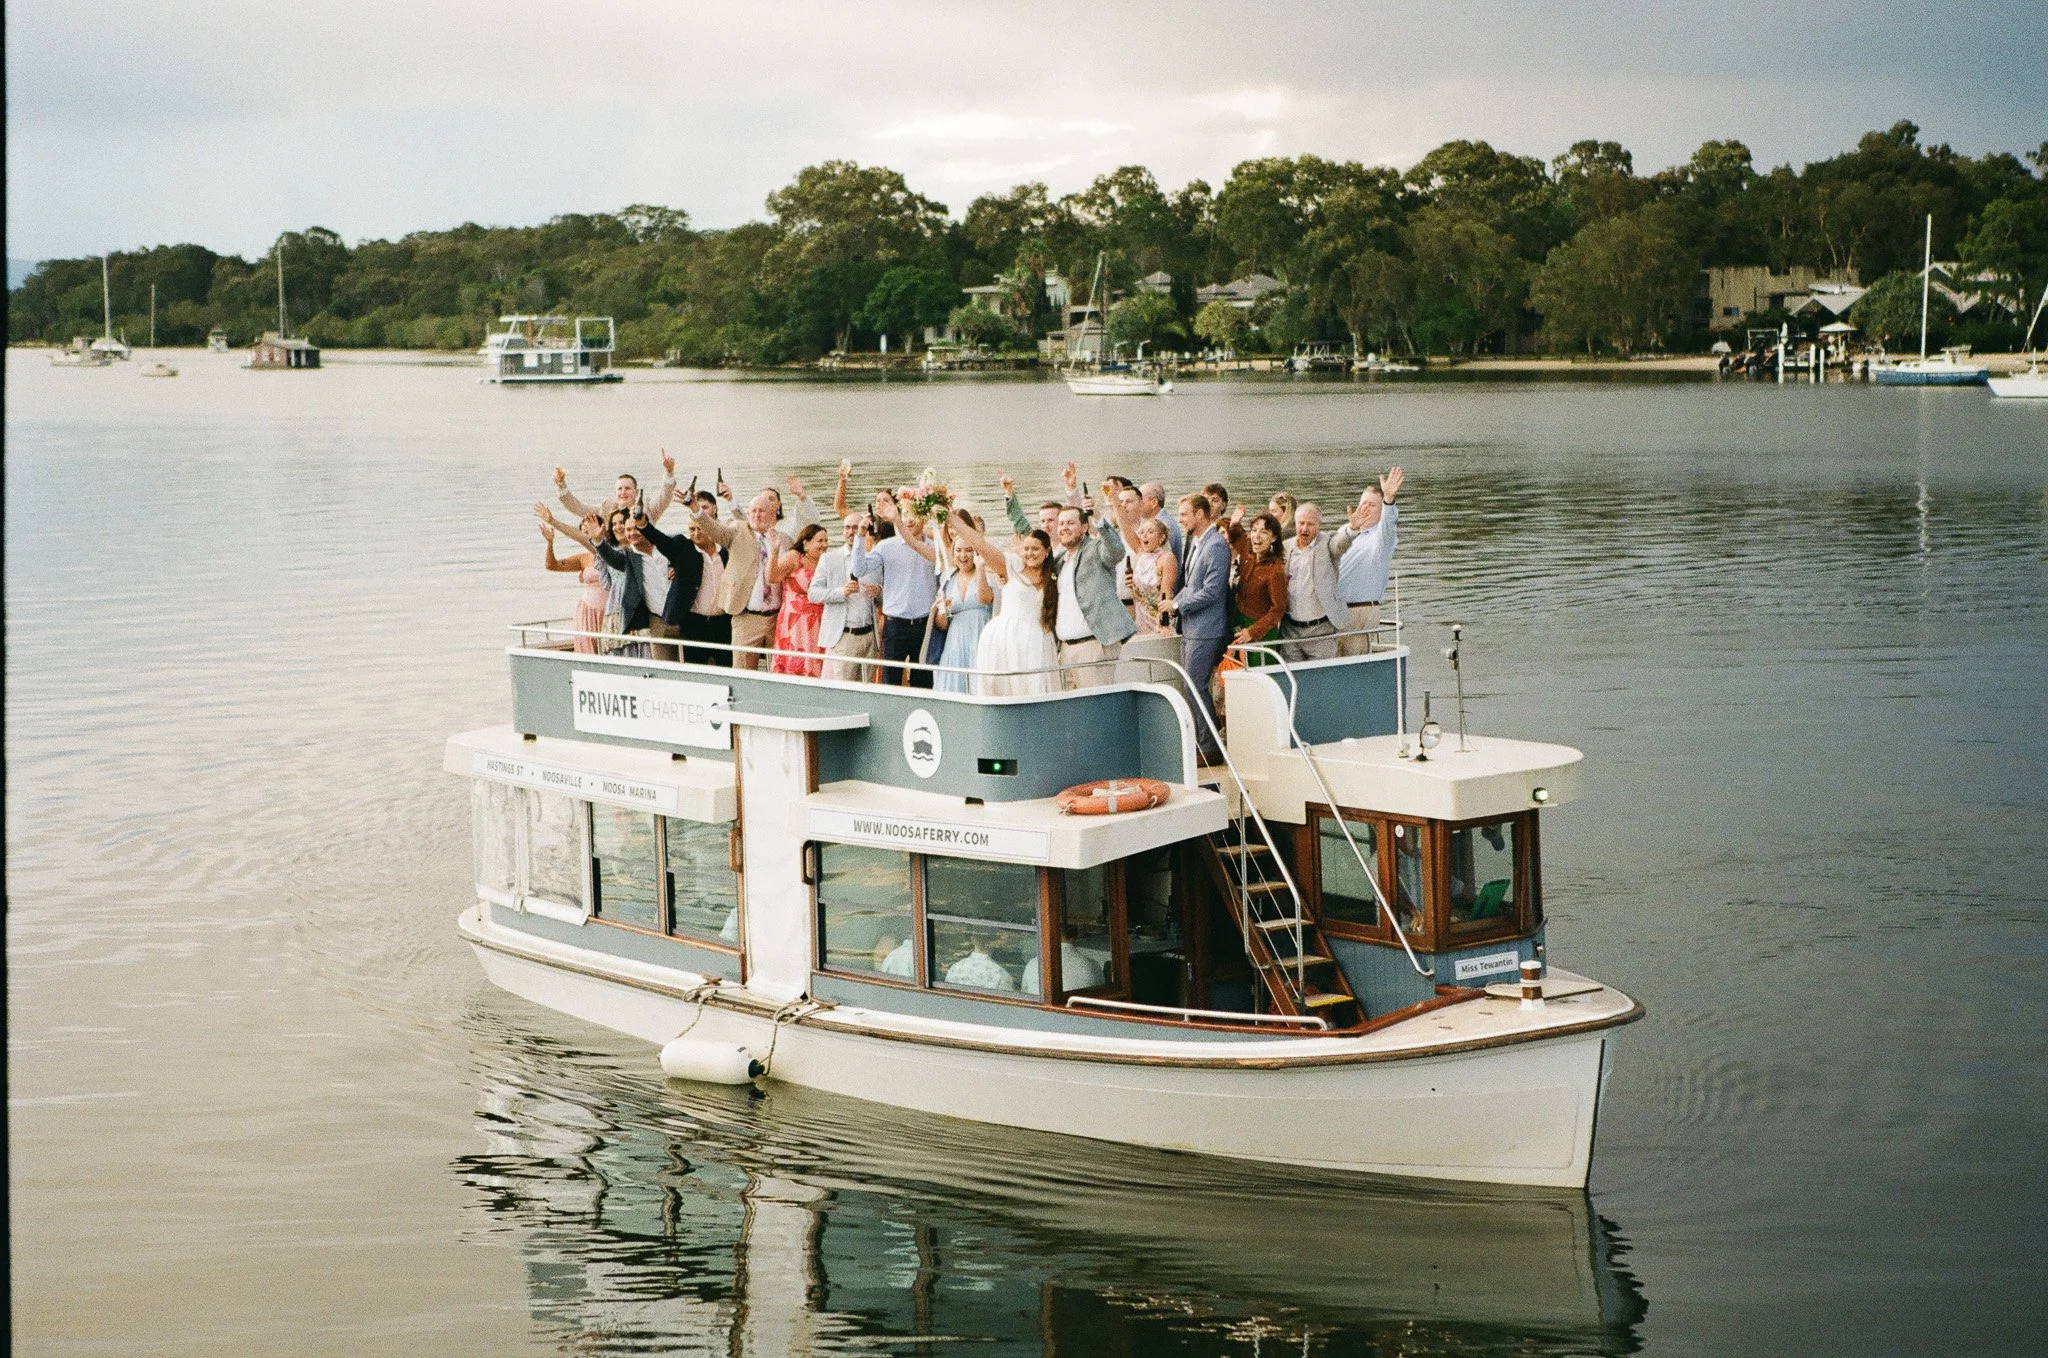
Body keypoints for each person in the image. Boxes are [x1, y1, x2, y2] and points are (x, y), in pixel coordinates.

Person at [573, 505, 702, 662]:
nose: (631, 533)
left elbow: (694, 559)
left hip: (688, 618)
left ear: (645, 525)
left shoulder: (669, 545)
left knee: (695, 667)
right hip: (659, 622)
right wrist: (598, 540)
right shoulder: (631, 558)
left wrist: (678, 568)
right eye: (628, 530)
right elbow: (612, 558)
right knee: (666, 671)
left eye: (635, 528)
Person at [1159, 492, 1232, 759]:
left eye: (1184, 515)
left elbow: (1212, 591)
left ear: (1200, 514)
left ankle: (1210, 747)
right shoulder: (1197, 542)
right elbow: (1191, 586)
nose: (1180, 521)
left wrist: (1177, 606)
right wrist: (1171, 603)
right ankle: (1205, 743)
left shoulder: (1215, 546)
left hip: (1207, 629)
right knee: (1191, 684)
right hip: (1191, 627)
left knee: (1196, 685)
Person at [1047, 483, 1140, 689]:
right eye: (1061, 524)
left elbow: (1116, 550)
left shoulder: (1096, 549)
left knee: (1099, 711)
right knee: (1071, 715)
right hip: (1065, 651)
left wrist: (1097, 516)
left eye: (1070, 523)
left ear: (1084, 527)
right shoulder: (1059, 560)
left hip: (1094, 647)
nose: (1064, 528)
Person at [954, 518, 1059, 697]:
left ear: (1047, 551)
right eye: (1026, 549)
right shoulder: (1012, 567)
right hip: (1005, 639)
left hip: (1036, 643)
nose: (1030, 553)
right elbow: (980, 543)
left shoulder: (1054, 577)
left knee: (1037, 690)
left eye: (1035, 549)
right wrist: (950, 518)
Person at [693, 489, 790, 671]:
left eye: (761, 511)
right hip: (746, 617)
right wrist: (695, 509)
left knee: (781, 669)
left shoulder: (784, 540)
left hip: (778, 618)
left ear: (772, 513)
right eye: (752, 510)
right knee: (744, 670)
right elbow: (714, 530)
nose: (756, 515)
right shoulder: (737, 530)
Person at [853, 491, 940, 688]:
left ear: (924, 517)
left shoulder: (935, 549)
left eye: (914, 515)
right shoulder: (886, 546)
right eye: (905, 515)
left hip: (924, 626)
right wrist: (860, 536)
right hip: (895, 626)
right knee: (890, 683)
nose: (909, 521)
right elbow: (859, 569)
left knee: (924, 683)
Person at [1331, 466, 1404, 656]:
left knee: (1353, 665)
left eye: (1372, 505)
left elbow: (1389, 524)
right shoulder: (1344, 531)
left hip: (1360, 612)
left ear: (1381, 511)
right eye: (1363, 503)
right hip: (1333, 611)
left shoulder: (1381, 540)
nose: (1364, 508)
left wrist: (1389, 500)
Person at [809, 512, 883, 682]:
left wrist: (879, 591)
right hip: (844, 637)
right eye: (847, 528)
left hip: (870, 636)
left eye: (856, 528)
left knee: (866, 691)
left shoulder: (874, 560)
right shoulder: (829, 559)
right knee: (844, 691)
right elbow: (813, 593)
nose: (851, 532)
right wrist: (841, 592)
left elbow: (881, 601)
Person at [1276, 502, 1351, 662]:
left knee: (1322, 680)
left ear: (1319, 525)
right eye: (1301, 523)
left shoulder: (1327, 543)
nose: (1304, 529)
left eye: (1310, 524)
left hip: (1321, 631)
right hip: (1290, 631)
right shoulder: (1284, 548)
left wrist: (1353, 530)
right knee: (1293, 680)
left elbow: (1341, 543)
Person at [537, 512, 612, 654]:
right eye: (584, 533)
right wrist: (550, 543)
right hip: (588, 611)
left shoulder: (615, 552)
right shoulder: (583, 558)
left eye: (590, 531)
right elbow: (552, 565)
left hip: (610, 610)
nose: (587, 537)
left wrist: (553, 520)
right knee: (588, 651)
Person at [932, 526, 994, 694]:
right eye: (958, 551)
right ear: (953, 554)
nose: (963, 555)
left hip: (979, 638)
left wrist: (980, 568)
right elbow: (942, 625)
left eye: (968, 550)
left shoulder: (987, 575)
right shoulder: (948, 581)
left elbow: (985, 598)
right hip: (955, 643)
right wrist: (941, 610)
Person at [554, 450, 679, 526]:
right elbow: (577, 508)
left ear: (636, 493)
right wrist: (561, 485)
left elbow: (665, 496)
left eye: (627, 488)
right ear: (615, 493)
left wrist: (669, 471)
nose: (623, 492)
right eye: (619, 489)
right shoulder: (606, 509)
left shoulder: (648, 508)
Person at [1231, 513, 1289, 665]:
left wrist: (1252, 632)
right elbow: (1236, 536)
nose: (1257, 536)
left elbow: (1278, 608)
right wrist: (1235, 522)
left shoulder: (1275, 570)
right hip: (1240, 625)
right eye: (1254, 530)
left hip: (1262, 632)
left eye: (1264, 532)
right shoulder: (1248, 553)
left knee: (1260, 673)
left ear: (1274, 538)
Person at [770, 524, 828, 675]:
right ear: (806, 543)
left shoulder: (826, 561)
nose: (824, 545)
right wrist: (775, 553)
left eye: (826, 541)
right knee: (795, 662)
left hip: (820, 622)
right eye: (820, 541)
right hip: (795, 622)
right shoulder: (795, 557)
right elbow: (772, 577)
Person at [1122, 515, 1179, 634]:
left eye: (1150, 532)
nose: (1144, 535)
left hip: (1159, 617)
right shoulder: (1141, 554)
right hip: (1141, 617)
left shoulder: (1167, 558)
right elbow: (1125, 528)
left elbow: (1166, 593)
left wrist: (1164, 623)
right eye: (1142, 532)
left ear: (1162, 537)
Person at [1139, 479, 1183, 556]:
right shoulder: (1161, 520)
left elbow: (1153, 557)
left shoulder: (1164, 524)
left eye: (1140, 501)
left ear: (1154, 502)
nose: (1138, 504)